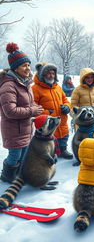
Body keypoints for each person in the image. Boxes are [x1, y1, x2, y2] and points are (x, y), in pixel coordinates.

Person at [0, 43, 44, 182]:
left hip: (25, 128)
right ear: (15, 68)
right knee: (14, 156)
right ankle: (7, 177)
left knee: (24, 155)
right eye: (24, 65)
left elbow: (28, 104)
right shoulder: (9, 85)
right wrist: (32, 110)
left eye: (28, 65)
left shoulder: (25, 83)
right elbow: (10, 111)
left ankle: (18, 176)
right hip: (14, 130)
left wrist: (37, 109)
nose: (27, 68)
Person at [32, 62, 73, 159]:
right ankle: (51, 152)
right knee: (49, 138)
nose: (51, 75)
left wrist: (67, 107)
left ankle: (63, 150)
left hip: (61, 119)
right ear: (42, 75)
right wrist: (47, 113)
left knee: (64, 135)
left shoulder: (57, 87)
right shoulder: (35, 89)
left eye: (53, 73)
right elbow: (33, 106)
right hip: (48, 122)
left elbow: (65, 100)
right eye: (48, 73)